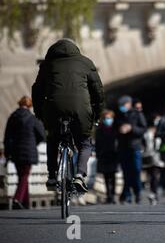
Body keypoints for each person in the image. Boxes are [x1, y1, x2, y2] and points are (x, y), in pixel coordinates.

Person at [32, 38, 104, 193]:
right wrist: (97, 114)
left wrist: (39, 112)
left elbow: (37, 90)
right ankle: (79, 175)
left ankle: (52, 176)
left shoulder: (47, 65)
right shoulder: (85, 62)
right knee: (84, 143)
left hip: (53, 109)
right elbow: (98, 91)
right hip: (80, 109)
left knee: (52, 139)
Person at [3, 96, 45, 209]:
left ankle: (25, 203)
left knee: (22, 175)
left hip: (16, 151)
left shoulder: (13, 117)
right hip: (29, 152)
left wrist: (8, 154)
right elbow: (42, 135)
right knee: (24, 175)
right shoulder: (32, 118)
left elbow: (7, 137)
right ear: (29, 106)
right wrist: (34, 143)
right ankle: (17, 199)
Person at [114, 95, 147, 204]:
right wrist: (120, 130)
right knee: (126, 173)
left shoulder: (137, 114)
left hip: (135, 147)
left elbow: (143, 129)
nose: (122, 107)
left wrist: (131, 128)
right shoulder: (118, 116)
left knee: (136, 171)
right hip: (123, 148)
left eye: (123, 105)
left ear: (128, 104)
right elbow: (114, 131)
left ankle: (138, 193)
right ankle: (127, 195)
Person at [95, 110, 118, 204]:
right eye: (105, 118)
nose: (107, 120)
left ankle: (113, 195)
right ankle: (108, 195)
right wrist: (97, 154)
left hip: (113, 154)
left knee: (113, 176)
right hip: (103, 155)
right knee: (106, 176)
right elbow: (97, 144)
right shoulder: (99, 130)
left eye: (109, 118)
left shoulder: (115, 129)